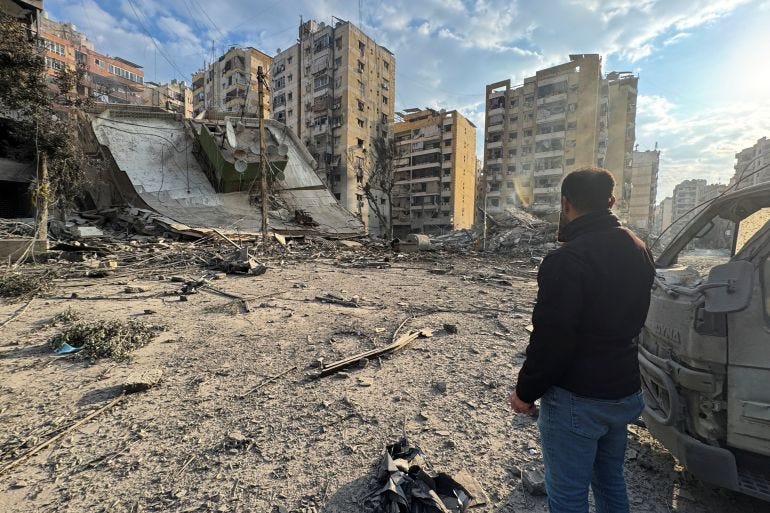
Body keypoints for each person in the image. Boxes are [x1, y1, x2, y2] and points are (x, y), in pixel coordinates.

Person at [509, 167, 655, 513]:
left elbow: (552, 339)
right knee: (610, 481)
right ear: (611, 201)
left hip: (578, 399)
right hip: (623, 390)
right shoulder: (638, 248)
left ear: (565, 203)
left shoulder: (567, 259)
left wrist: (525, 392)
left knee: (567, 496)